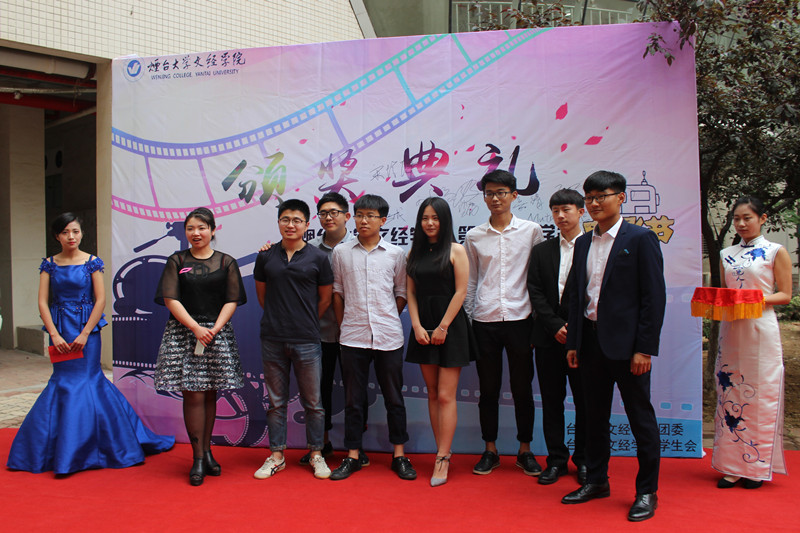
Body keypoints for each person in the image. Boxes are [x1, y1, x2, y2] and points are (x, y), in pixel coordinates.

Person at [7, 213, 173, 474]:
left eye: (75, 231)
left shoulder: (92, 262)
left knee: (89, 380)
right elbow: (42, 302)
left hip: (88, 329)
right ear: (57, 236)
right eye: (65, 232)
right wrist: (54, 334)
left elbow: (101, 300)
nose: (71, 237)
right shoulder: (49, 264)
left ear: (81, 233)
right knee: (63, 381)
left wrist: (85, 334)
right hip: (61, 329)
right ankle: (61, 448)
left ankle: (97, 445)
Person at [561, 171, 665, 523]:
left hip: (628, 348)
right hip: (589, 344)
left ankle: (647, 491)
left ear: (620, 197)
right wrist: (574, 342)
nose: (593, 204)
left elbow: (653, 299)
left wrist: (644, 349)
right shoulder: (583, 243)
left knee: (640, 419)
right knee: (593, 417)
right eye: (589, 198)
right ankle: (596, 480)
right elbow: (577, 297)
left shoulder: (640, 239)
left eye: (600, 196)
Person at [154, 207, 246, 486]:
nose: (196, 233)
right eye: (191, 228)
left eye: (202, 228)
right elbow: (170, 298)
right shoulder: (177, 260)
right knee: (193, 394)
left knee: (209, 394)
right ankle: (196, 458)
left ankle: (207, 452)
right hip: (184, 333)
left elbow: (232, 299)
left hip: (216, 333)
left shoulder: (226, 262)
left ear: (213, 230)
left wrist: (214, 329)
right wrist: (195, 327)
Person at [329, 194, 417, 481]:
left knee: (394, 398)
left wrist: (389, 315)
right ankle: (353, 455)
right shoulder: (342, 252)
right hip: (352, 337)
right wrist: (343, 325)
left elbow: (401, 292)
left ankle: (399, 455)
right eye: (359, 215)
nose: (363, 220)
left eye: (370, 215)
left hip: (388, 336)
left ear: (383, 220)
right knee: (353, 400)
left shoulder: (395, 254)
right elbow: (338, 292)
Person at [464, 169, 544, 476]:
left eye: (501, 192)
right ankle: (490, 449)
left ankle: (525, 450)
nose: (495, 198)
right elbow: (471, 280)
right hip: (484, 319)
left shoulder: (531, 231)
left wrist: (537, 319)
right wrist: (469, 317)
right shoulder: (474, 236)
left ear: (514, 195)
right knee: (488, 389)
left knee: (523, 388)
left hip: (521, 319)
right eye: (489, 193)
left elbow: (538, 277)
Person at [713, 196, 792, 488]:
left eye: (748, 218)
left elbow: (785, 295)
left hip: (760, 328)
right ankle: (732, 465)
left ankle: (755, 466)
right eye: (737, 219)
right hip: (732, 328)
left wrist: (752, 298)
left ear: (762, 218)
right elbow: (725, 291)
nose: (742, 223)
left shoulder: (775, 251)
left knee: (759, 394)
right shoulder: (726, 253)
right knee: (729, 390)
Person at [252, 199, 333, 480]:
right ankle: (276, 456)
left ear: (307, 224)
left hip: (307, 339)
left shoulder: (318, 258)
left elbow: (325, 299)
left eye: (297, 220)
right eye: (285, 219)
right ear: (278, 222)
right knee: (276, 402)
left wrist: (304, 319)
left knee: (314, 402)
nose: (291, 225)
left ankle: (316, 454)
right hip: (272, 338)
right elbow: (262, 296)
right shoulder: (265, 257)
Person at [406, 197, 477, 486]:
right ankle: (441, 450)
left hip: (450, 327)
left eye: (435, 217)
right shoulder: (414, 253)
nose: (430, 222)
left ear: (445, 220)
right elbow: (411, 293)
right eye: (425, 217)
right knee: (432, 393)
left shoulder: (456, 250)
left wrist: (443, 326)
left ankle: (443, 458)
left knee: (447, 395)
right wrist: (416, 326)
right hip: (423, 327)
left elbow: (461, 292)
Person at [303, 192, 370, 468]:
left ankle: (357, 447)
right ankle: (322, 444)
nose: (328, 217)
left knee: (356, 391)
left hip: (354, 332)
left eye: (334, 212)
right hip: (318, 331)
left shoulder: (360, 246)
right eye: (323, 213)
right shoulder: (308, 249)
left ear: (347, 216)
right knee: (319, 391)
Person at [527, 188, 588, 485]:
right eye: (555, 211)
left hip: (584, 339)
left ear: (581, 211)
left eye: (566, 209)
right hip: (548, 338)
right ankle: (556, 460)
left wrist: (574, 329)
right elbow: (535, 291)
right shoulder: (542, 251)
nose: (561, 216)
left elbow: (596, 293)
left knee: (585, 402)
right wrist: (554, 325)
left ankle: (585, 460)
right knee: (552, 401)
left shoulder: (594, 247)